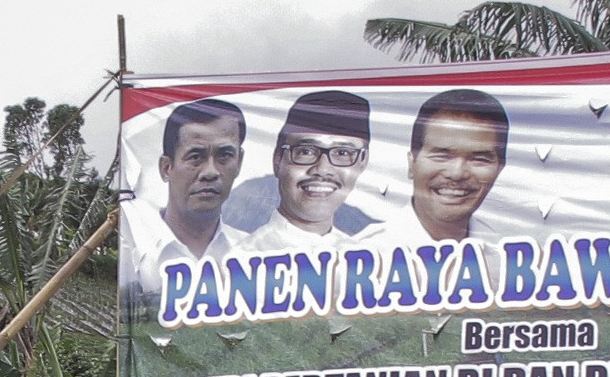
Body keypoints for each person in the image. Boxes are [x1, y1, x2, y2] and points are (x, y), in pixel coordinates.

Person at [234, 91, 375, 255]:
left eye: (342, 153)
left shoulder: (371, 262)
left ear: (362, 161)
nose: (322, 169)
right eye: (306, 151)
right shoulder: (243, 262)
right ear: (278, 159)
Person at [389, 89, 507, 243]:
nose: (457, 173)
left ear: (499, 169)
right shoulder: (364, 257)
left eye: (479, 159)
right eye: (442, 156)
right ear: (412, 164)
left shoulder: (508, 259)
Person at [154, 99, 245, 261]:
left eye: (224, 156)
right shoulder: (136, 249)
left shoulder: (255, 258)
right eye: (195, 157)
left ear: (239, 162)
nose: (211, 172)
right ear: (166, 168)